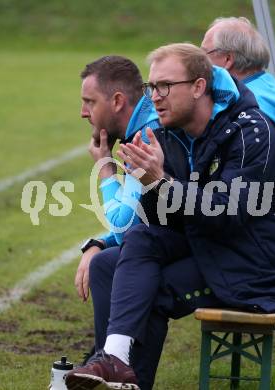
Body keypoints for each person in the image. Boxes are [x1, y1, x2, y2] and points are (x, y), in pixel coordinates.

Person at [66, 43, 275, 390]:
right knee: (114, 260)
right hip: (214, 247)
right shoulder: (172, 134)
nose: (154, 97)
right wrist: (146, 188)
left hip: (261, 264)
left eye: (165, 86)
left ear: (199, 87)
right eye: (152, 88)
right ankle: (114, 360)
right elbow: (158, 221)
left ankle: (122, 374)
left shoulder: (250, 131)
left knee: (147, 289)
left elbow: (224, 213)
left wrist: (161, 181)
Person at [76, 55, 159, 340]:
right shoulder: (142, 128)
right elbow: (132, 219)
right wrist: (99, 241)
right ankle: (107, 358)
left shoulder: (146, 136)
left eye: (90, 102)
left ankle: (109, 362)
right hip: (169, 242)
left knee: (107, 264)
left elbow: (126, 230)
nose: (83, 113)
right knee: (106, 260)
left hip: (197, 252)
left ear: (118, 101)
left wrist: (105, 168)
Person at [201, 16, 275, 137]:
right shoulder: (273, 93)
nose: (201, 62)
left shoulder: (240, 107)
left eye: (204, 54)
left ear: (228, 59)